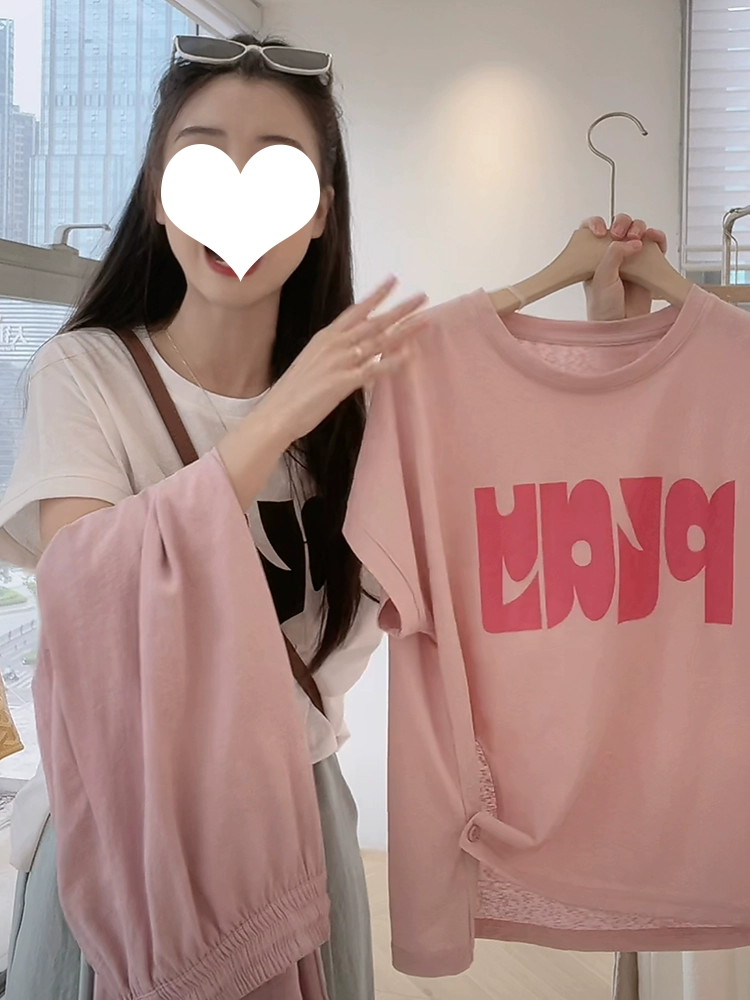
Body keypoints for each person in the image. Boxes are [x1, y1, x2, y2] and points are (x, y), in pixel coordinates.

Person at [0, 30, 669, 1000]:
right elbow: (81, 590)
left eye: (275, 170)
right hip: (128, 838)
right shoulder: (86, 374)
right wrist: (274, 420)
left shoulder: (369, 403)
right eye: (202, 161)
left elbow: (536, 518)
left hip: (301, 823)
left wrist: (608, 330)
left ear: (320, 210)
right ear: (157, 193)